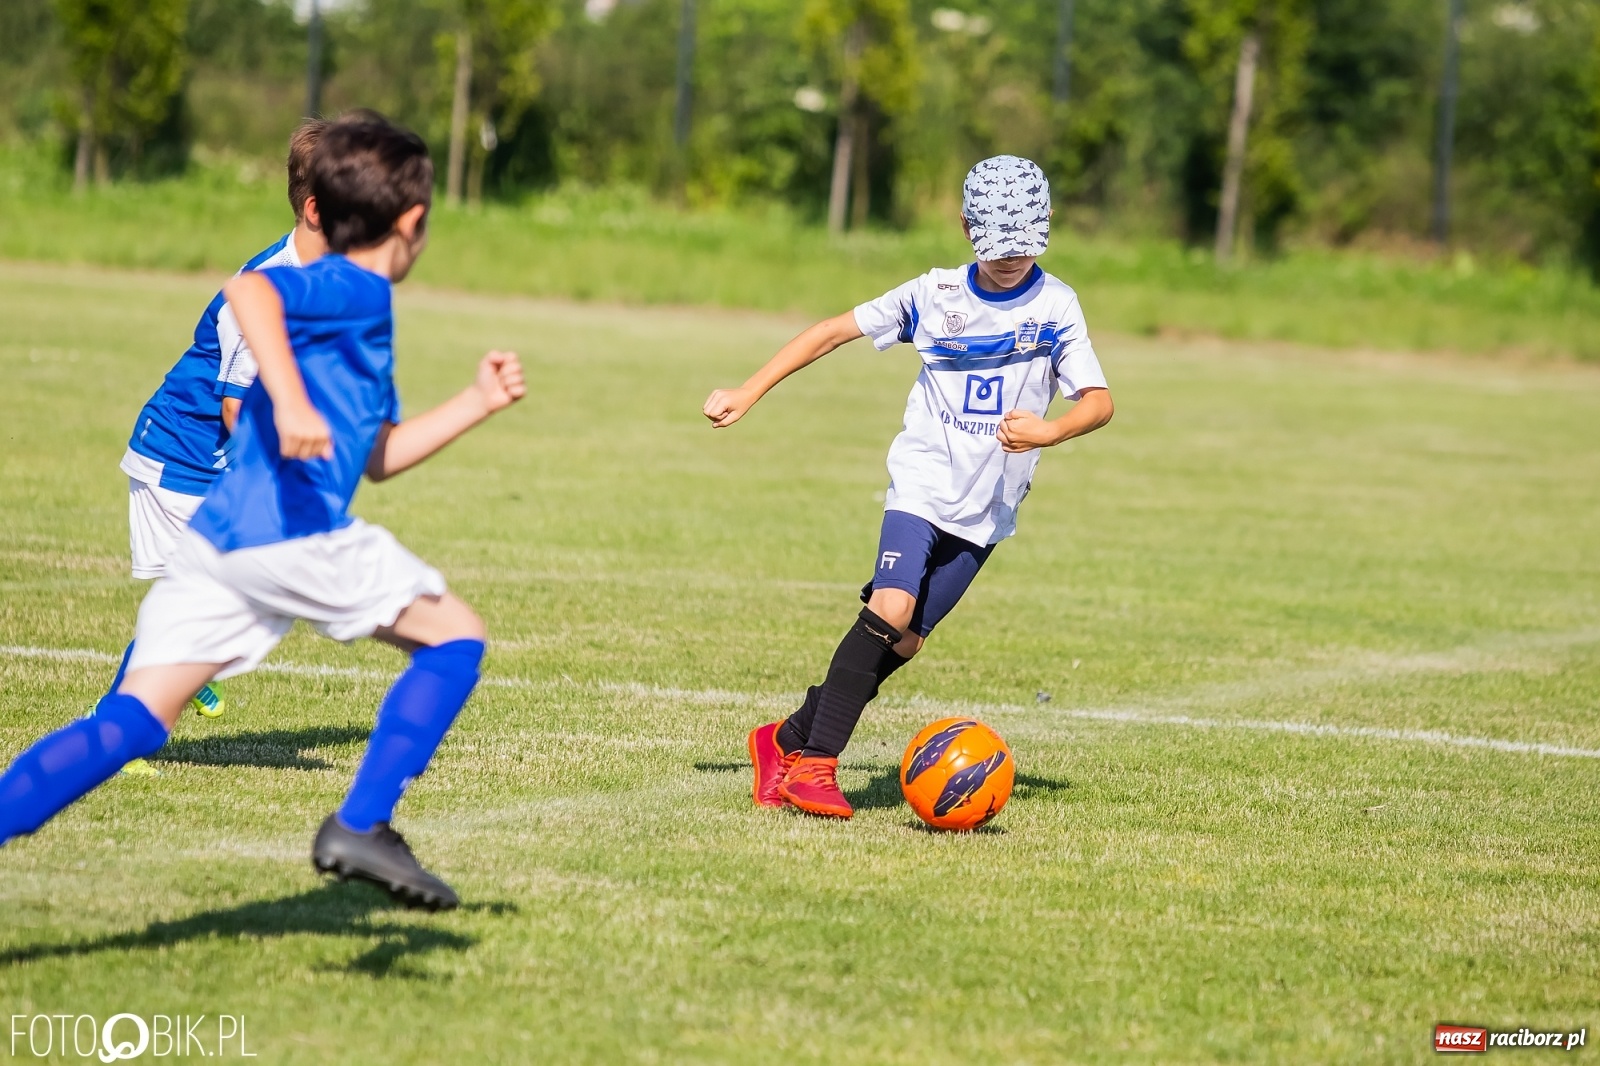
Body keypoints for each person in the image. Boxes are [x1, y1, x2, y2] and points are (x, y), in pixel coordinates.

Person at [0, 114, 526, 910]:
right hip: (291, 532)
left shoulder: (360, 303)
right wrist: (287, 397)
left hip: (220, 546)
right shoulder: (350, 286)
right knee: (456, 637)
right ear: (413, 221)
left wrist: (476, 403)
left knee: (131, 723)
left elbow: (378, 457)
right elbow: (247, 292)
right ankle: (362, 823)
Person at [703, 155, 1115, 820]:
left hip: (988, 508)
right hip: (922, 483)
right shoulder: (934, 295)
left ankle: (784, 738)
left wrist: (1052, 430)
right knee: (890, 606)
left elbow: (1098, 401)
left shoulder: (1057, 306)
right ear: (967, 229)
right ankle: (816, 768)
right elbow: (831, 332)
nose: (1011, 260)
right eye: (997, 247)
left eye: (1024, 246)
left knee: (904, 640)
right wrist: (748, 390)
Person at [113, 118, 331, 730]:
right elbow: (236, 408)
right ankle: (117, 719)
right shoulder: (268, 286)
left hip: (213, 464)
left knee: (229, 594)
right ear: (316, 209)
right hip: (180, 458)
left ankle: (188, 667)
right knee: (206, 600)